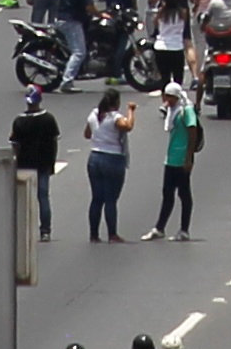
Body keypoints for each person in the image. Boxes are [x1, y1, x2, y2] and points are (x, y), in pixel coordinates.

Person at [143, 80, 197, 241]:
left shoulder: (186, 111)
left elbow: (192, 131)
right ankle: (160, 228)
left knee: (184, 194)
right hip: (171, 158)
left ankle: (184, 229)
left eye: (170, 97)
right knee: (167, 193)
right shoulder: (172, 110)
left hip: (182, 159)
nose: (167, 100)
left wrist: (189, 157)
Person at [81, 87, 134, 244]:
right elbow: (128, 126)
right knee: (111, 199)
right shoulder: (115, 117)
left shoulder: (94, 115)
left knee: (97, 198)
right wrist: (131, 111)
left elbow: (87, 134)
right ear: (116, 102)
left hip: (94, 158)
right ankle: (112, 234)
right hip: (113, 158)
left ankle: (94, 234)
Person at [11, 84, 60, 241]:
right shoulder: (49, 119)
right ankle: (45, 230)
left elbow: (15, 145)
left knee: (23, 199)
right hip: (44, 164)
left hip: (25, 164)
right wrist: (52, 161)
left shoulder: (19, 121)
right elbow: (54, 142)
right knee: (43, 197)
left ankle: (23, 230)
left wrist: (16, 162)